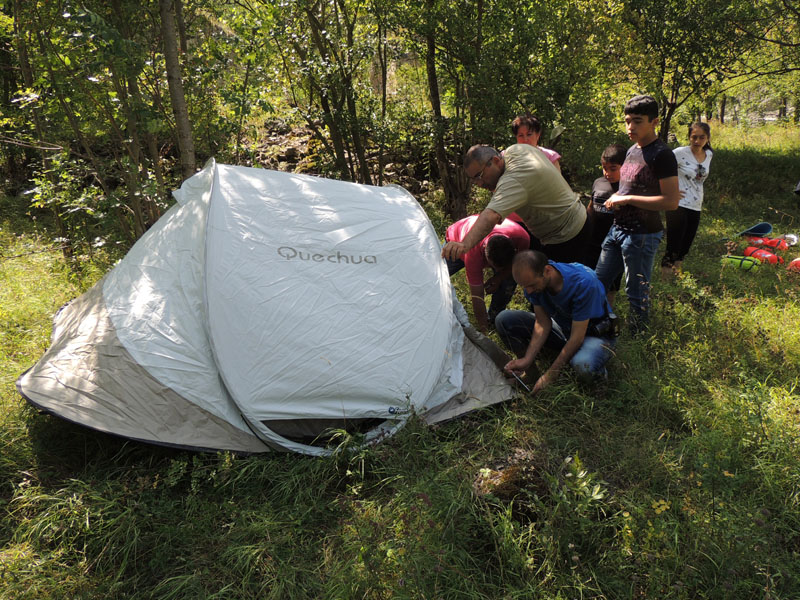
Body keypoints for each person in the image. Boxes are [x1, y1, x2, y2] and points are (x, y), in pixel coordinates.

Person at [594, 94, 680, 334]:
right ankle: (599, 323)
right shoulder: (632, 150)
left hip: (641, 235)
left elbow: (671, 202)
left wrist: (628, 199)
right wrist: (618, 199)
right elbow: (629, 186)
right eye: (627, 120)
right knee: (596, 281)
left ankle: (639, 338)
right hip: (618, 230)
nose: (630, 127)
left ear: (654, 121)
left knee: (636, 292)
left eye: (637, 121)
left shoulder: (662, 155)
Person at [441, 144, 592, 266]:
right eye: (474, 180)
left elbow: (491, 215)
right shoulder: (517, 150)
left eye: (479, 176)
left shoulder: (513, 179)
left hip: (567, 235)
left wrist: (464, 244)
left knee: (558, 293)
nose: (479, 184)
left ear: (495, 160)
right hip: (573, 222)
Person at [496, 250, 617, 394]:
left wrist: (551, 374)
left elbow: (577, 338)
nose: (528, 291)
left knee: (583, 364)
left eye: (532, 285)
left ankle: (598, 378)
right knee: (504, 320)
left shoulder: (583, 283)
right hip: (563, 328)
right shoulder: (534, 283)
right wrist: (527, 359)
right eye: (524, 286)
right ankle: (531, 373)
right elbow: (542, 323)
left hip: (594, 334)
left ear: (547, 271)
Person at [444, 215, 530, 332]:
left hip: (489, 238)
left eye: (501, 268)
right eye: (494, 267)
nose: (498, 271)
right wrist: (483, 331)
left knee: (508, 281)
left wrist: (499, 278)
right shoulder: (472, 254)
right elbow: (477, 296)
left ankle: (494, 318)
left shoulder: (522, 238)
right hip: (456, 241)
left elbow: (516, 264)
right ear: (485, 253)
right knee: (437, 274)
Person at [661, 122, 713, 277]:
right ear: (689, 137)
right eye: (694, 137)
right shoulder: (679, 153)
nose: (697, 141)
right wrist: (670, 191)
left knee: (686, 244)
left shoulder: (709, 154)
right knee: (674, 243)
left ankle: (678, 276)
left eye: (701, 137)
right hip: (678, 203)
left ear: (707, 138)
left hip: (696, 203)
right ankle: (666, 279)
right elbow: (662, 172)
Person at [586, 144, 626, 301]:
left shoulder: (628, 188)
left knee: (611, 286)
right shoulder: (598, 182)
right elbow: (591, 206)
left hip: (615, 245)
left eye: (613, 168)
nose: (607, 173)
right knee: (588, 278)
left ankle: (607, 316)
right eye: (604, 168)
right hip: (592, 242)